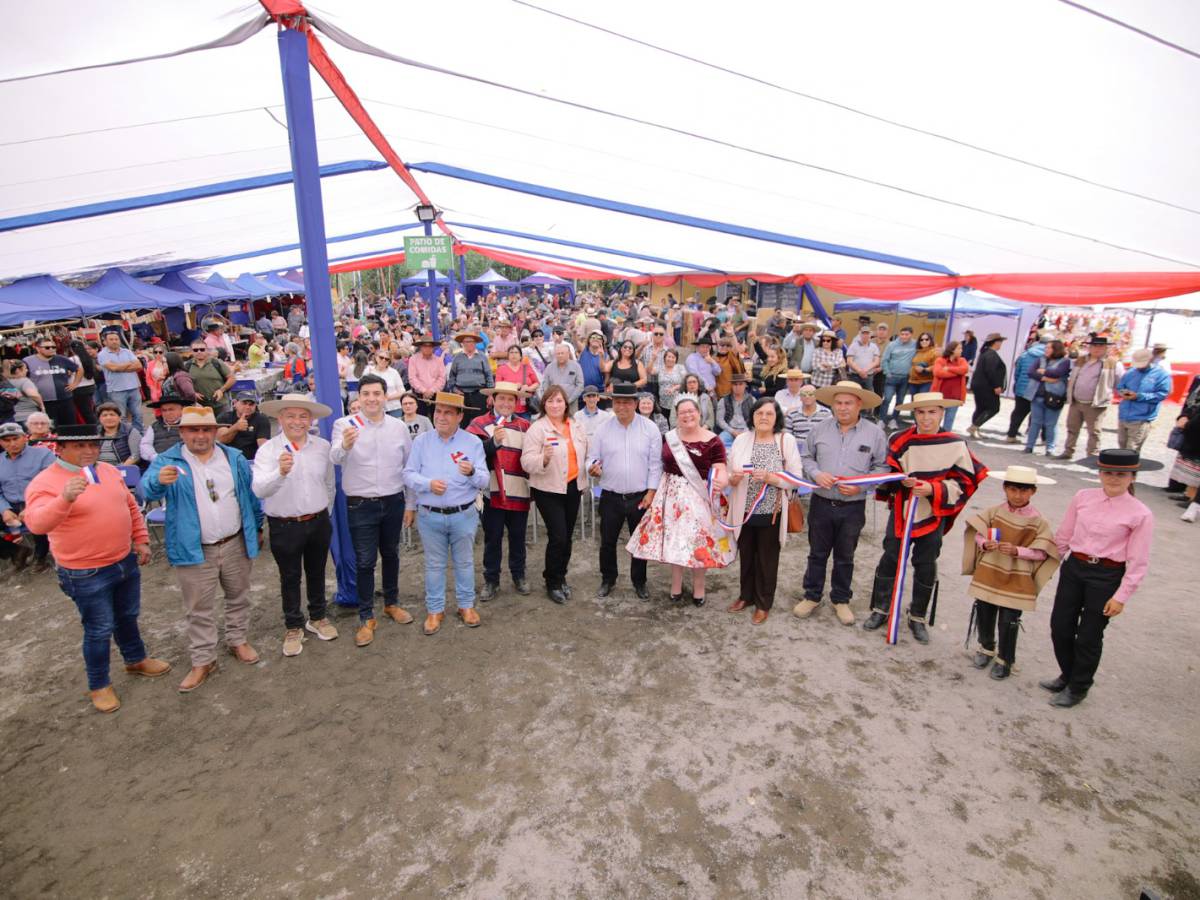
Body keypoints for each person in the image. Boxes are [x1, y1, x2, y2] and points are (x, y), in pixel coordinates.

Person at [24, 423, 168, 713]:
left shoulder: (107, 470)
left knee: (127, 616)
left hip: (123, 559)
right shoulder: (45, 482)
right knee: (99, 629)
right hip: (84, 570)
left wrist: (140, 539)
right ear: (60, 448)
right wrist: (64, 498)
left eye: (92, 444)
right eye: (80, 446)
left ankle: (135, 659)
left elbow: (129, 506)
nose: (89, 450)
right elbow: (37, 524)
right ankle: (99, 684)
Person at [143, 407, 265, 690]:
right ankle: (203, 659)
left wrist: (256, 527)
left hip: (234, 541)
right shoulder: (168, 460)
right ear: (182, 432)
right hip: (195, 548)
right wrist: (157, 482)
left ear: (215, 431)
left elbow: (248, 496)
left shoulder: (232, 457)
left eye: (206, 429)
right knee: (198, 608)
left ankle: (238, 640)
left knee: (238, 596)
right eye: (193, 430)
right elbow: (147, 491)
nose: (200, 435)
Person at [861, 392, 987, 643]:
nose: (926, 418)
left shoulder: (955, 443)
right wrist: (898, 483)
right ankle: (881, 608)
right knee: (891, 556)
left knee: (926, 562)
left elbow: (967, 480)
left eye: (932, 412)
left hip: (933, 512)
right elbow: (888, 473)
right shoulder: (900, 439)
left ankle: (918, 615)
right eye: (921, 412)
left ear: (942, 413)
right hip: (903, 509)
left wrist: (933, 489)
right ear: (914, 414)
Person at [1042, 449, 1152, 708]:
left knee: (1089, 634)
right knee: (1061, 626)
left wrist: (1121, 596)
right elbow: (1064, 535)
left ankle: (1079, 686)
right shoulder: (1083, 497)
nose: (1113, 478)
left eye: (1121, 474)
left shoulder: (1140, 514)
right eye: (1108, 472)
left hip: (1106, 575)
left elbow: (1138, 560)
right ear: (1099, 473)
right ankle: (1067, 674)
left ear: (1132, 477)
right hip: (1074, 568)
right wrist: (1047, 566)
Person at [793, 381, 889, 625]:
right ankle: (812, 595)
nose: (843, 408)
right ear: (832, 404)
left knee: (845, 556)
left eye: (848, 403)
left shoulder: (875, 433)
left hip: (853, 506)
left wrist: (863, 485)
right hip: (821, 503)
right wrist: (816, 474)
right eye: (838, 403)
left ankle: (841, 599)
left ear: (859, 405)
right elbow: (805, 456)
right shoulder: (820, 429)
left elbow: (882, 467)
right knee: (817, 553)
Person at [331, 375, 416, 643]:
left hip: (393, 500)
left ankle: (392, 602)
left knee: (391, 554)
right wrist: (345, 444)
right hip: (360, 504)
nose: (371, 399)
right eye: (366, 394)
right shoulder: (344, 425)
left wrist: (411, 504)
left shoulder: (397, 426)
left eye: (376, 393)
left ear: (385, 396)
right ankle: (366, 616)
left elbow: (409, 467)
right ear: (358, 398)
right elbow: (334, 457)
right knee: (365, 561)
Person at [627, 393, 733, 606]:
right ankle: (676, 584)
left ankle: (699, 587)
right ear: (676, 416)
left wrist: (722, 481)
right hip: (671, 496)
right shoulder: (668, 437)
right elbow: (657, 464)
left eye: (691, 411)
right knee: (675, 541)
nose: (687, 415)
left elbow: (720, 468)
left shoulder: (713, 440)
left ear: (699, 413)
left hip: (699, 497)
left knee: (698, 542)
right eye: (682, 412)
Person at [252, 394, 338, 655]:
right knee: (289, 576)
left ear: (310, 419)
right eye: (290, 416)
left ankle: (318, 616)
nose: (297, 422)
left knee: (317, 571)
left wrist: (325, 512)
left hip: (318, 520)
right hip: (284, 524)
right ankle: (293, 625)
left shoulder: (322, 447)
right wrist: (280, 472)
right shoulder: (268, 451)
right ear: (280, 419)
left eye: (303, 416)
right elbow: (259, 490)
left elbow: (329, 484)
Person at [961, 465, 1060, 680]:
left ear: (1033, 492)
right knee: (984, 609)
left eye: (1024, 491)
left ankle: (1005, 658)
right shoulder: (994, 512)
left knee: (1009, 619)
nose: (1018, 495)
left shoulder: (1038, 521)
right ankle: (986, 647)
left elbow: (1042, 552)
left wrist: (1018, 551)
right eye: (1013, 490)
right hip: (990, 570)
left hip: (1018, 576)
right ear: (1005, 488)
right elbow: (977, 533)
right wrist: (985, 544)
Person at [403, 392, 489, 634]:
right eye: (438, 411)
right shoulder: (421, 442)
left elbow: (484, 480)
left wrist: (472, 472)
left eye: (448, 412)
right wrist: (427, 484)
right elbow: (408, 474)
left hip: (464, 513)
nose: (441, 417)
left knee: (464, 562)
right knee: (434, 564)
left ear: (460, 416)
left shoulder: (472, 442)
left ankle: (465, 606)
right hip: (430, 515)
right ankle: (435, 609)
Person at [726, 398, 805, 624]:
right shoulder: (742, 439)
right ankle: (746, 596)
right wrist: (733, 478)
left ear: (776, 418)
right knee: (747, 555)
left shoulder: (785, 440)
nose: (763, 417)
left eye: (769, 414)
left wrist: (771, 478)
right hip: (744, 510)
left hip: (772, 511)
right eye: (759, 413)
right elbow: (730, 472)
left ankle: (763, 603)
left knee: (767, 560)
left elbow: (796, 477)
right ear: (752, 416)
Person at [586, 385, 664, 600]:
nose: (622, 406)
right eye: (618, 402)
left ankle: (639, 581)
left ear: (636, 404)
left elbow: (655, 465)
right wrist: (592, 466)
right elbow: (592, 457)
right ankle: (608, 579)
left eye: (627, 402)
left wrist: (651, 492)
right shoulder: (603, 429)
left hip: (640, 497)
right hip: (610, 495)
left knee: (639, 543)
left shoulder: (650, 429)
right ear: (612, 404)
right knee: (607, 542)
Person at [521, 384, 589, 604]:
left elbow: (585, 453)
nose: (555, 405)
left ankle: (561, 576)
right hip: (547, 489)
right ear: (544, 404)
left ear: (566, 403)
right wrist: (544, 459)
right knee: (558, 536)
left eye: (559, 400)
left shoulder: (576, 426)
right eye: (550, 401)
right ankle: (551, 581)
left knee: (567, 537)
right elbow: (526, 461)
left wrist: (592, 466)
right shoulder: (537, 429)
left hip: (572, 486)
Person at [467, 381, 533, 600]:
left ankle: (518, 575)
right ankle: (491, 580)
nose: (506, 403)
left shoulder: (525, 425)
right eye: (501, 398)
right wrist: (492, 443)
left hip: (519, 490)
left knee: (518, 537)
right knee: (492, 538)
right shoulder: (479, 423)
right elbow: (472, 455)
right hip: (491, 492)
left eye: (510, 399)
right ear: (492, 399)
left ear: (516, 402)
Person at [1054, 334, 1123, 460]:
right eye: (1094, 346)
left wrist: (1112, 395)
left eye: (1101, 346)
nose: (1097, 349)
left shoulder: (1113, 364)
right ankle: (1068, 451)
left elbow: (1120, 383)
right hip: (1076, 401)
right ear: (1089, 347)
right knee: (1072, 427)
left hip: (1096, 403)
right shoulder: (1080, 360)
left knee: (1094, 431)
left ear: (1106, 348)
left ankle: (1092, 456)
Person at [0, 422, 54, 571]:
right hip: (9, 504)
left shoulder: (43, 454)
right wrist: (4, 509)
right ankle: (14, 551)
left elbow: (49, 484)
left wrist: (31, 506)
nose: (12, 443)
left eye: (15, 438)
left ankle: (40, 557)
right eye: (6, 440)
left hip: (38, 501)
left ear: (25, 438)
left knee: (38, 517)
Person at [1114, 348, 1171, 453]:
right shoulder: (1130, 372)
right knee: (1122, 446)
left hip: (1141, 417)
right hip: (1124, 415)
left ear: (1150, 360)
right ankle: (1121, 468)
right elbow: (1120, 386)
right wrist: (1123, 392)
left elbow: (1162, 394)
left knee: (1132, 449)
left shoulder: (1161, 375)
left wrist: (1139, 396)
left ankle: (1129, 469)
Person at [1023, 340, 1071, 455]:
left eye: (1049, 348)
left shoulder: (1065, 361)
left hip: (1054, 397)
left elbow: (1058, 373)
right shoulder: (1040, 359)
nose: (1046, 350)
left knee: (1051, 424)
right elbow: (1030, 372)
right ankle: (1029, 446)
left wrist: (1044, 371)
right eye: (1046, 348)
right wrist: (1046, 378)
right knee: (1035, 422)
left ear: (1056, 349)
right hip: (1037, 395)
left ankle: (1050, 448)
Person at [23, 337, 80, 428]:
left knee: (70, 427)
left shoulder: (61, 359)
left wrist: (75, 384)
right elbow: (22, 377)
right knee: (50, 427)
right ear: (37, 348)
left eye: (53, 347)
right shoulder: (27, 361)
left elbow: (79, 369)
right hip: (44, 402)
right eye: (47, 347)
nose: (51, 349)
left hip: (65, 399)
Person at [96, 329, 143, 426]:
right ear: (105, 342)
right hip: (116, 390)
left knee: (138, 414)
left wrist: (119, 367)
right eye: (111, 339)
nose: (114, 341)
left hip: (133, 387)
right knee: (121, 416)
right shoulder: (102, 354)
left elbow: (139, 366)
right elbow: (113, 368)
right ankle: (124, 436)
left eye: (116, 339)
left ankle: (139, 435)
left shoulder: (127, 351)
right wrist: (130, 363)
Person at [1006, 335, 1048, 443]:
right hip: (1039, 389)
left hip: (1022, 388)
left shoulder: (1025, 354)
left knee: (1018, 412)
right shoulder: (1048, 356)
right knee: (1040, 414)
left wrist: (1018, 383)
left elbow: (1017, 372)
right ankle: (1043, 438)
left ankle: (1011, 434)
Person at [967, 332, 1007, 438]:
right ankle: (974, 426)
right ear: (996, 343)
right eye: (1000, 342)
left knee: (980, 408)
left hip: (980, 385)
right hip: (986, 386)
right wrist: (996, 386)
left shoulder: (985, 353)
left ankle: (975, 428)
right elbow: (991, 371)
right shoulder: (991, 355)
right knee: (993, 408)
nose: (1001, 344)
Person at [446, 331, 494, 415]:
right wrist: (454, 389)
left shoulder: (482, 356)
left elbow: (489, 375)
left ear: (475, 343)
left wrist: (490, 395)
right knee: (463, 421)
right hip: (461, 394)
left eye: (471, 341)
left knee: (479, 420)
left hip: (480, 394)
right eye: (466, 342)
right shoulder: (457, 357)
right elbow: (452, 377)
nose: (469, 344)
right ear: (463, 343)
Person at [879, 326, 917, 427]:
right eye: (902, 334)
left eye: (906, 334)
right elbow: (884, 359)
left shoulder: (915, 344)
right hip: (892, 377)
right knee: (887, 398)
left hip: (905, 378)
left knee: (900, 400)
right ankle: (882, 420)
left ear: (911, 335)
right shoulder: (892, 345)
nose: (904, 336)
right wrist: (887, 373)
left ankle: (894, 420)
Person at [216, 391, 271, 461]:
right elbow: (221, 440)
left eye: (251, 404)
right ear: (235, 403)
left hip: (252, 460)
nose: (248, 407)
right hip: (228, 459)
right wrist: (236, 427)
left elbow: (263, 445)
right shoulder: (224, 417)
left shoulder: (261, 419)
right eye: (244, 403)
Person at [186, 341, 235, 414]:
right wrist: (193, 393)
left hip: (220, 404)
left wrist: (221, 390)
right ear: (191, 351)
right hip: (200, 407)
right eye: (195, 350)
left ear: (207, 350)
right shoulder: (187, 365)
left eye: (202, 349)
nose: (199, 352)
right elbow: (183, 383)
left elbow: (232, 378)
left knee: (224, 424)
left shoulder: (216, 363)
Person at [931, 341, 969, 433]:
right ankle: (932, 437)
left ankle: (945, 438)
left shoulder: (962, 360)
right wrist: (957, 373)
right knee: (936, 419)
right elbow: (938, 373)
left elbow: (965, 369)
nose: (961, 350)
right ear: (952, 350)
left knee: (949, 420)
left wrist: (949, 369)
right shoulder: (940, 360)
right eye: (959, 348)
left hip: (955, 398)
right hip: (939, 397)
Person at [405, 333, 447, 418]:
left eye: (430, 346)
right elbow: (412, 377)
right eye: (425, 346)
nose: (427, 348)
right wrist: (424, 390)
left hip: (435, 394)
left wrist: (432, 390)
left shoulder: (438, 360)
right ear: (420, 347)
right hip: (419, 395)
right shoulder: (413, 359)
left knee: (437, 418)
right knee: (421, 418)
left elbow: (442, 378)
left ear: (433, 347)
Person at [495, 344, 540, 418]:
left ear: (520, 356)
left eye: (516, 352)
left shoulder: (526, 367)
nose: (514, 355)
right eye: (511, 352)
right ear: (508, 355)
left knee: (524, 427)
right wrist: (513, 387)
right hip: (507, 407)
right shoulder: (501, 369)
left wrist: (528, 388)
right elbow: (497, 387)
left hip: (525, 406)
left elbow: (536, 383)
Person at [139, 391, 186, 462]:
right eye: (164, 410)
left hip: (183, 462)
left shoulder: (189, 424)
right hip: (159, 463)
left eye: (171, 409)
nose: (168, 413)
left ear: (181, 409)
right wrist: (155, 457)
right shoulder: (154, 426)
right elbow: (145, 444)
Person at [539, 343, 585, 411]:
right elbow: (545, 385)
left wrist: (569, 400)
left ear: (568, 354)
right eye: (558, 353)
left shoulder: (576, 366)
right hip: (554, 405)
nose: (560, 355)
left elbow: (580, 385)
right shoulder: (549, 367)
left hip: (571, 404)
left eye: (562, 353)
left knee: (570, 421)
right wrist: (549, 400)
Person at [365, 347, 406, 417]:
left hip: (394, 407)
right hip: (375, 407)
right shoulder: (368, 371)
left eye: (387, 359)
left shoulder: (394, 372)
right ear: (376, 358)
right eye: (381, 357)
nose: (384, 360)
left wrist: (389, 397)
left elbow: (402, 391)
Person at [716, 373, 754, 448]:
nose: (738, 387)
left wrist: (745, 431)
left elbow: (754, 419)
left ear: (745, 385)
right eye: (735, 384)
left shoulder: (752, 400)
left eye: (740, 384)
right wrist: (732, 431)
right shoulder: (724, 400)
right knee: (719, 442)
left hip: (747, 430)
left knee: (750, 446)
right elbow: (719, 420)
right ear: (731, 386)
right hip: (729, 430)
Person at [2, 359, 44, 426]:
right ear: (18, 370)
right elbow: (33, 395)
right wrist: (42, 406)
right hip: (27, 417)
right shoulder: (24, 381)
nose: (27, 370)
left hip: (10, 418)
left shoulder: (4, 382)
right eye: (25, 368)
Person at [907, 332, 938, 397]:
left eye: (927, 339)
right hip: (913, 382)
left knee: (921, 403)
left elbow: (937, 366)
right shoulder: (917, 352)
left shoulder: (934, 352)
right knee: (914, 404)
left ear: (931, 340)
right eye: (922, 339)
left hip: (926, 382)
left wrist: (925, 369)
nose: (924, 341)